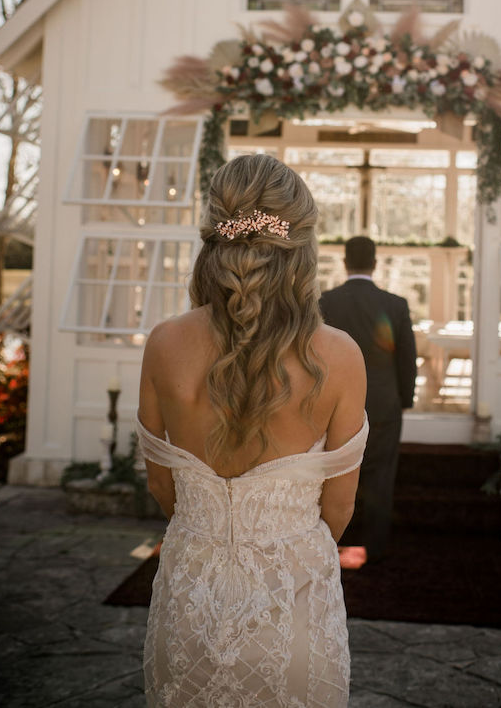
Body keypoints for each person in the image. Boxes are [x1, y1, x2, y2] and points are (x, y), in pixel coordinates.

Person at [137, 153, 367, 708]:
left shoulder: (165, 344)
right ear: (303, 247)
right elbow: (338, 510)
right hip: (295, 608)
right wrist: (279, 548)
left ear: (213, 238)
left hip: (189, 601)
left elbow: (162, 488)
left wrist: (209, 534)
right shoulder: (339, 356)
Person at [319, 236, 416, 564]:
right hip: (382, 402)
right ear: (375, 264)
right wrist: (403, 399)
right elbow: (406, 358)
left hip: (331, 404)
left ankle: (330, 541)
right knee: (380, 475)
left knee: (330, 472)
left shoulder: (325, 302)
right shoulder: (395, 304)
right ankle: (374, 548)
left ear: (345, 263)